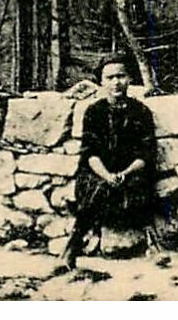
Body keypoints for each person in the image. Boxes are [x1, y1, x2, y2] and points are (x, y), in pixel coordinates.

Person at [58, 54, 157, 273]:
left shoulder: (141, 111)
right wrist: (107, 175)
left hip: (132, 170)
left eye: (121, 76)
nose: (116, 82)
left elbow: (146, 151)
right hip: (99, 170)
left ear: (130, 78)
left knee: (144, 183)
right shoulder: (94, 112)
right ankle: (72, 247)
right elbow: (90, 153)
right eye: (110, 77)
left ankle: (154, 243)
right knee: (94, 187)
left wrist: (126, 172)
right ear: (101, 81)